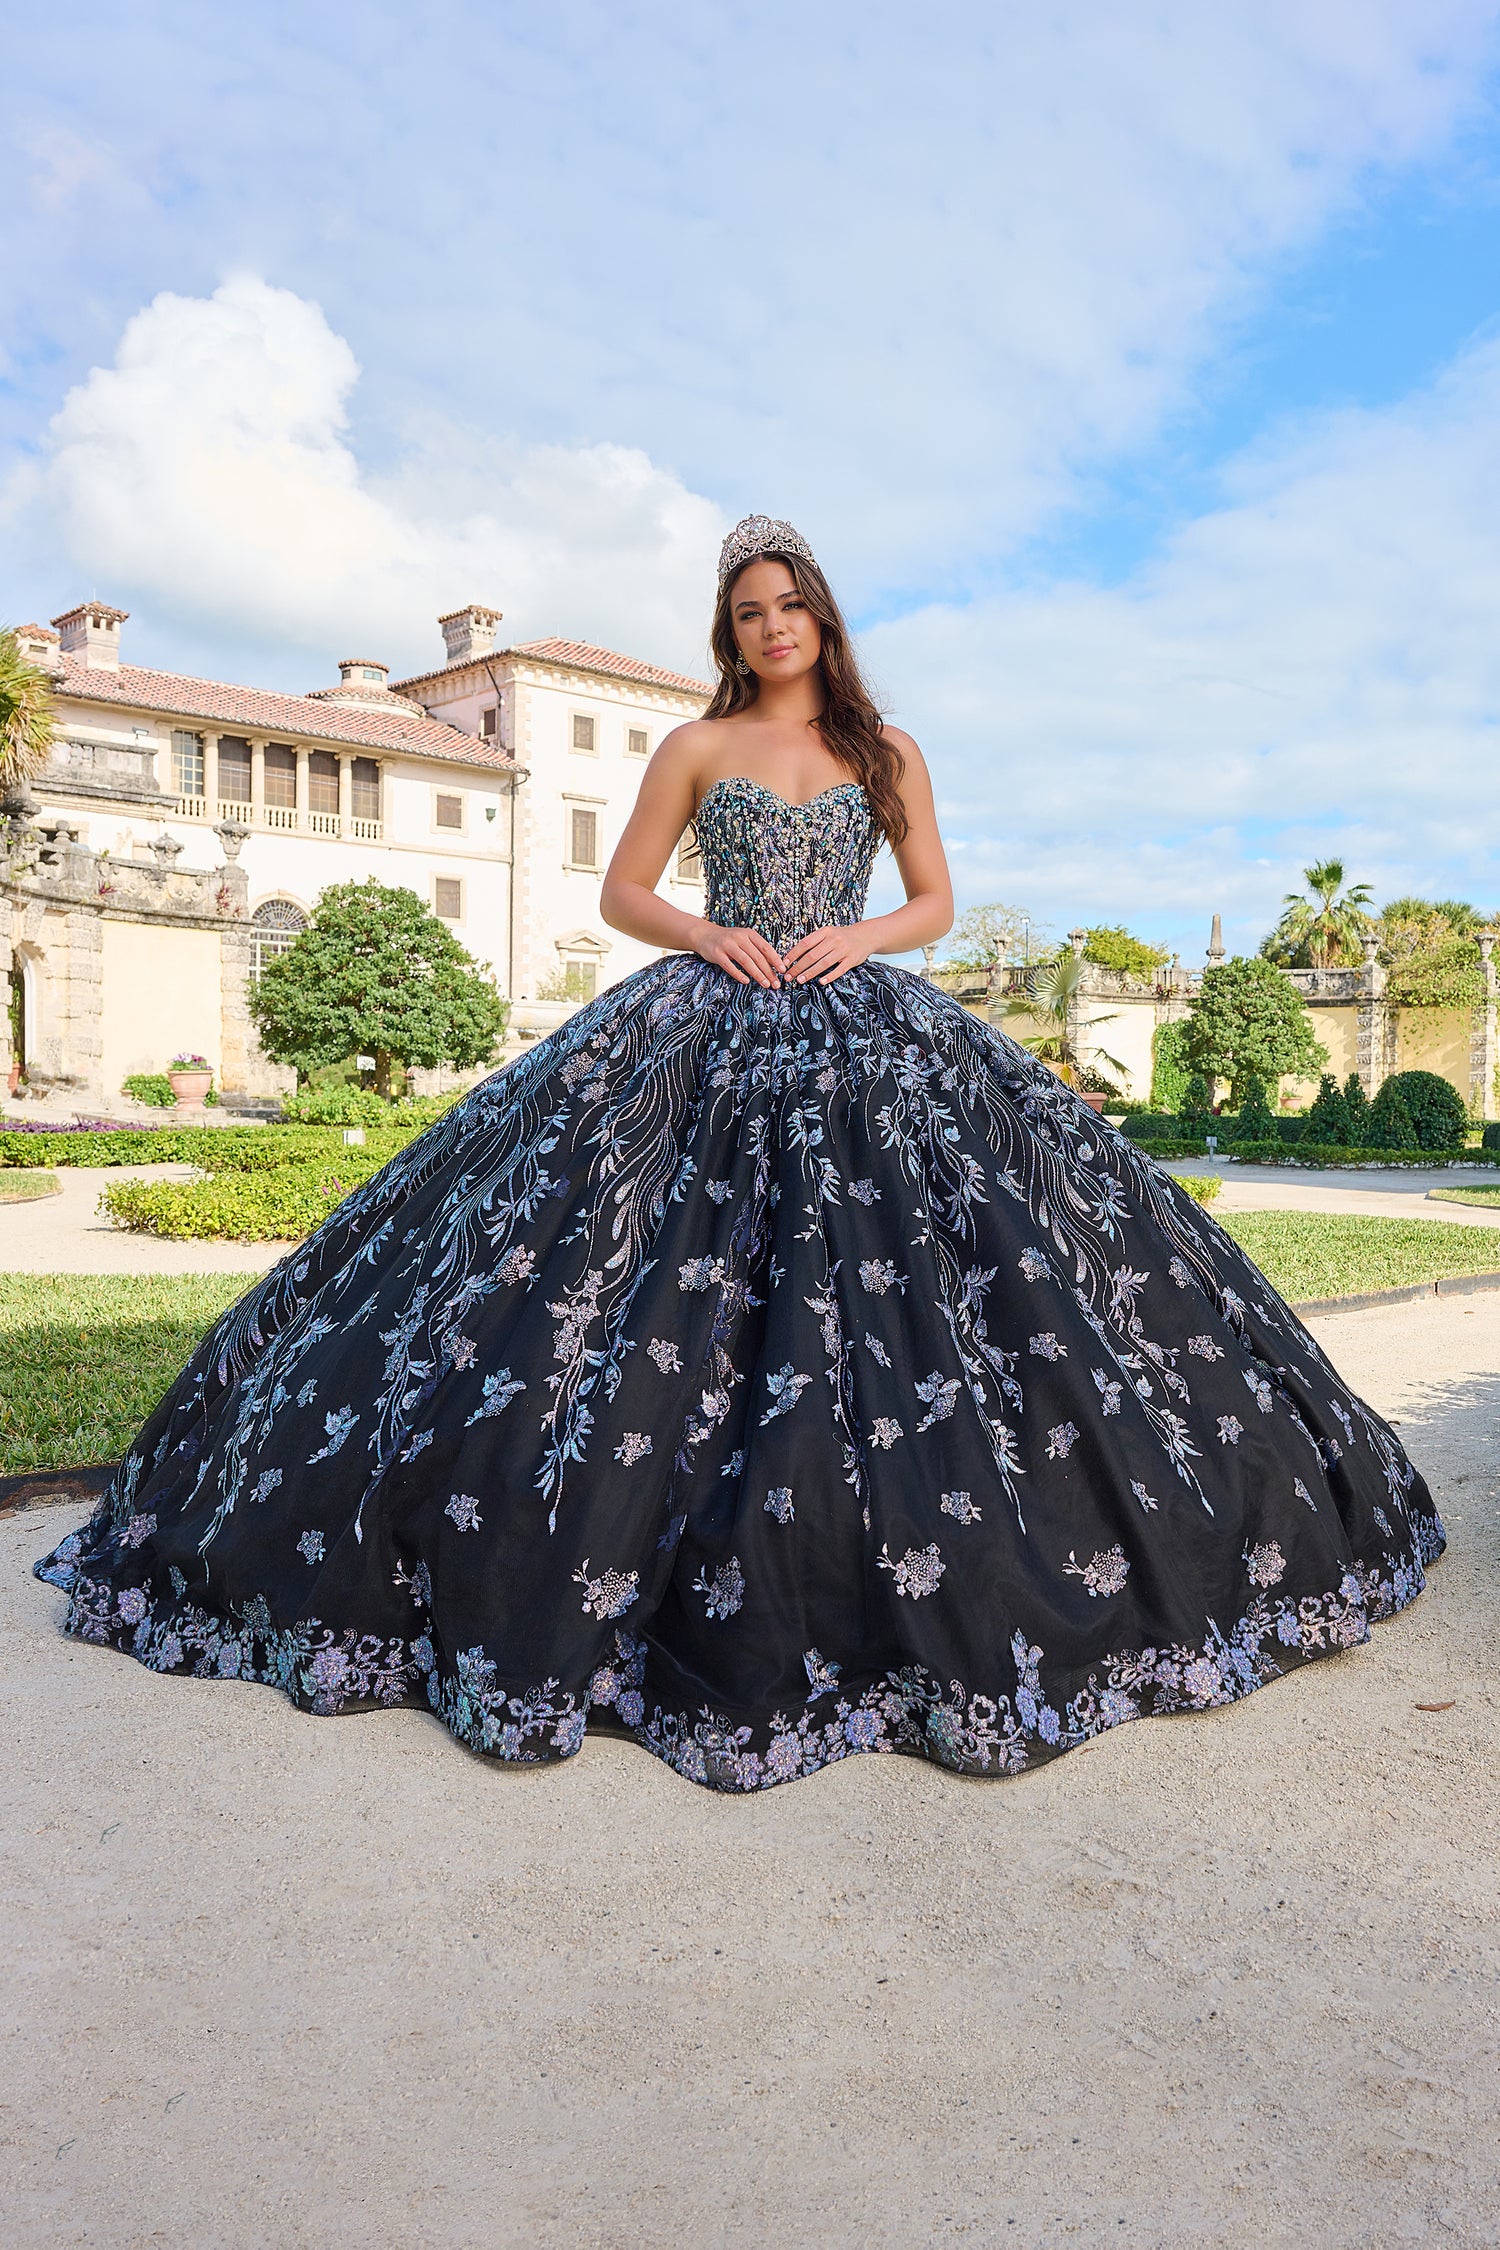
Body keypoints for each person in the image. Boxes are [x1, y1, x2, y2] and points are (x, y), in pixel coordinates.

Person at [35, 516, 1441, 1792]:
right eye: (750, 613)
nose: (772, 628)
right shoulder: (695, 748)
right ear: (734, 634)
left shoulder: (888, 756)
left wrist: (860, 934)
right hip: (704, 1015)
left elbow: (935, 897)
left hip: (862, 1013)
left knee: (975, 1276)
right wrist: (709, 933)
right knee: (587, 1266)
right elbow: (620, 887)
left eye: (790, 607)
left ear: (824, 620)